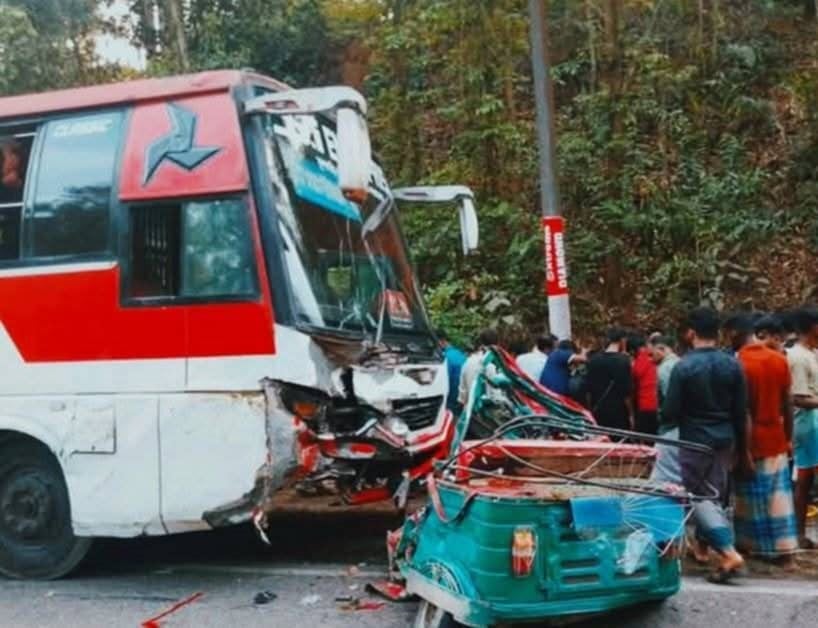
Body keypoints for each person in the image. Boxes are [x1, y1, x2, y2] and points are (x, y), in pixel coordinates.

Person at [663, 307, 747, 582]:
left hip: (694, 440)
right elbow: (740, 411)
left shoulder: (683, 367)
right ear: (718, 332)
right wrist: (742, 448)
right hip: (725, 439)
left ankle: (728, 552)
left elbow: (670, 412)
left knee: (699, 496)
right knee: (715, 496)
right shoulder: (732, 365)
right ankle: (709, 549)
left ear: (691, 333)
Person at [734, 317, 797, 563]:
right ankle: (783, 547)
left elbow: (743, 411)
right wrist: (789, 437)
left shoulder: (740, 362)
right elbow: (788, 403)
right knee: (778, 495)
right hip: (776, 435)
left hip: (752, 439)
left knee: (751, 496)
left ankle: (753, 545)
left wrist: (743, 449)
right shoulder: (780, 360)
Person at [786, 306, 818, 549]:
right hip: (807, 425)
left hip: (814, 422)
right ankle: (797, 532)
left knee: (806, 480)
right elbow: (798, 398)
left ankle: (799, 533)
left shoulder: (812, 353)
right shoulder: (797, 356)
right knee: (804, 480)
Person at [585, 328, 633, 430]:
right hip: (618, 412)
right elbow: (627, 393)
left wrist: (590, 410)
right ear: (623, 340)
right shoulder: (623, 361)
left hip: (598, 410)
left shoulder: (593, 360)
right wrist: (631, 415)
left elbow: (588, 390)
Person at [458, 328, 499, 408]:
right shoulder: (491, 365)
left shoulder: (467, 362)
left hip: (469, 410)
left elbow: (462, 395)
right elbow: (496, 396)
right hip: (487, 411)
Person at [628, 334, 658, 436]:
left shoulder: (636, 364)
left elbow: (632, 388)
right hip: (657, 405)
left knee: (645, 438)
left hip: (644, 406)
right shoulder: (655, 358)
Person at [438, 329, 467, 415]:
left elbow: (442, 383)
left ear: (441, 341)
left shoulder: (444, 358)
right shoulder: (461, 354)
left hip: (449, 403)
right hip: (462, 401)